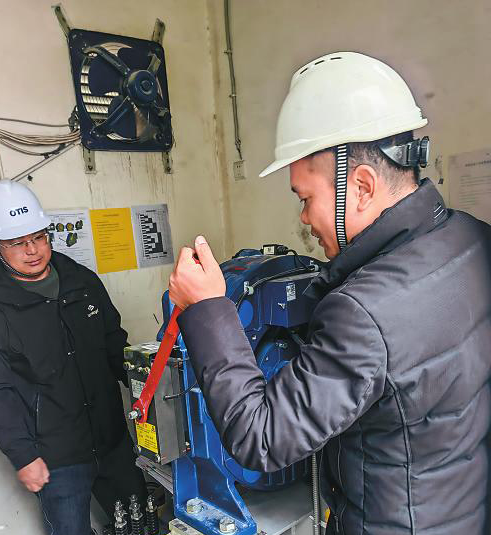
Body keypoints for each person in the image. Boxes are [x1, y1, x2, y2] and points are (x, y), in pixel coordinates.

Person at [168, 52, 491, 534]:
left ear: (361, 186)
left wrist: (208, 307)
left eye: (306, 198)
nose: (303, 218)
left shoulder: (364, 312)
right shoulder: (473, 239)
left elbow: (260, 437)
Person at [0, 180, 147, 535]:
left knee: (140, 525)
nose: (32, 250)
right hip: (56, 456)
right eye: (17, 243)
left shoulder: (81, 281)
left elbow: (113, 343)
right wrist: (23, 456)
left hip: (111, 438)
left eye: (39, 237)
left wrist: (150, 390)